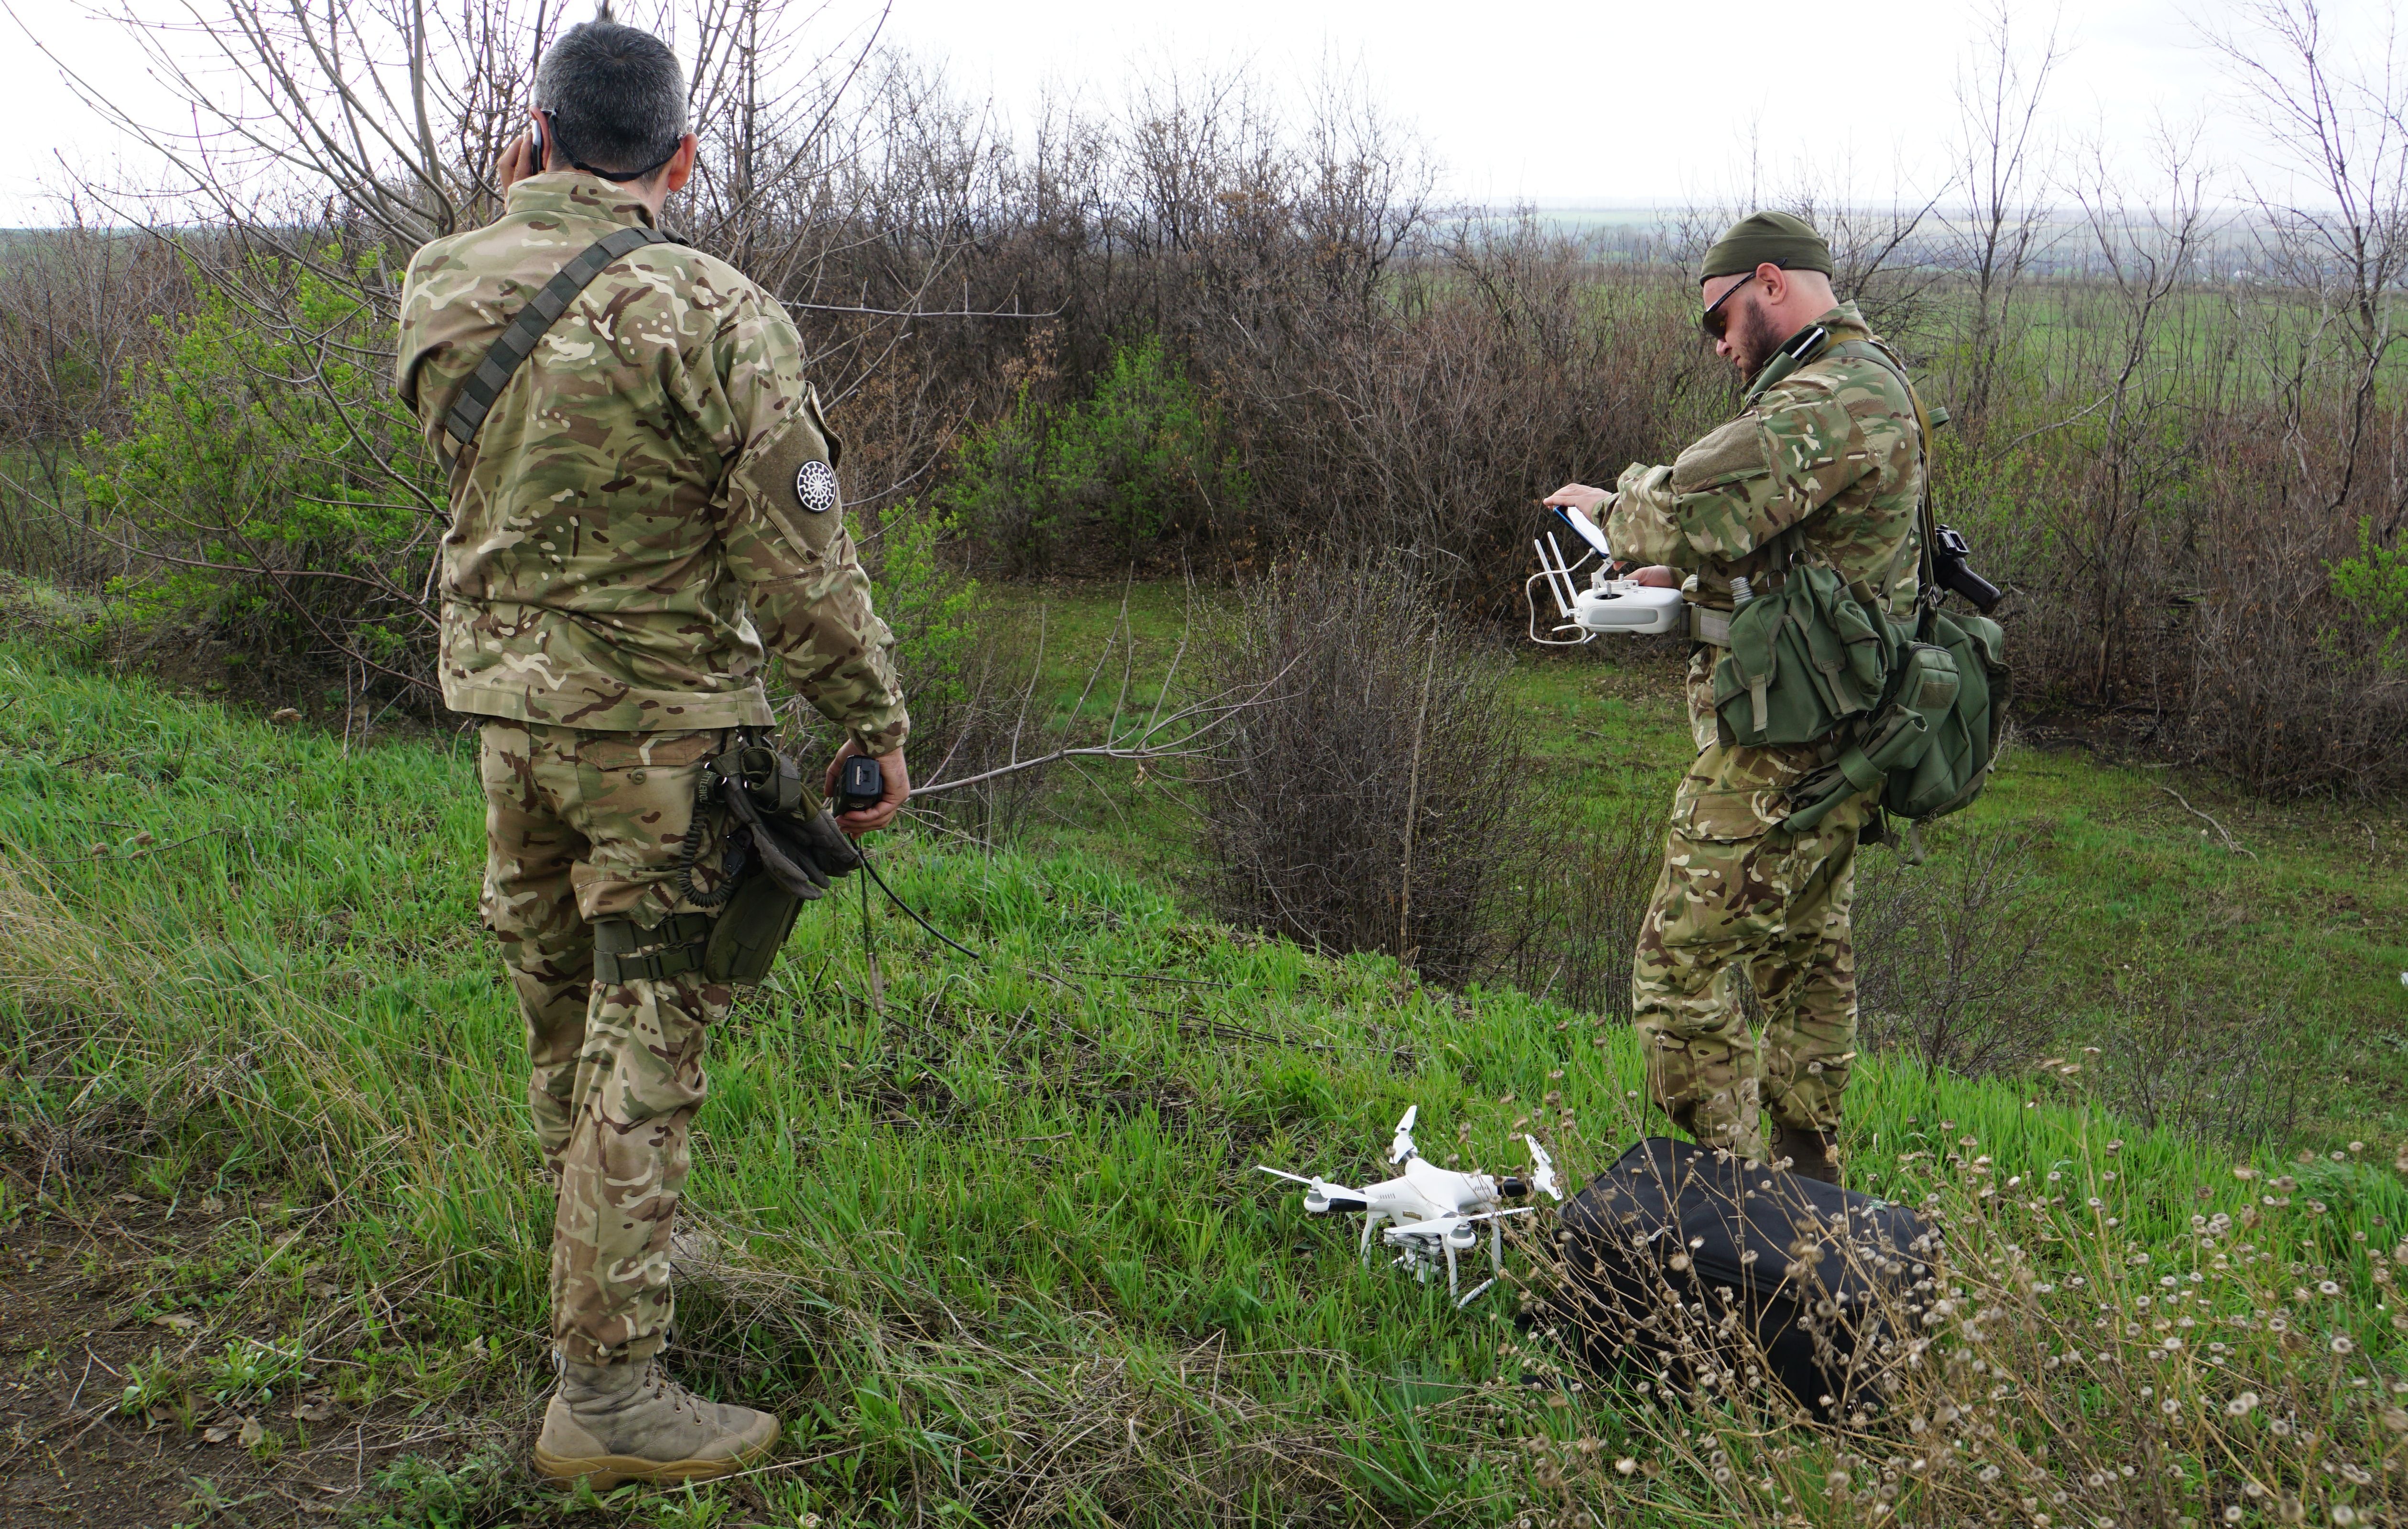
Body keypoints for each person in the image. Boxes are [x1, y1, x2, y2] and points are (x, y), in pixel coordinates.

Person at [394, 16, 910, 1486]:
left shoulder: (445, 277)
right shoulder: (713, 311)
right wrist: (867, 724)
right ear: (681, 159)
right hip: (656, 737)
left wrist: (521, 197)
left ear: (532, 138)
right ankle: (608, 1390)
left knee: (563, 1008)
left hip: (506, 712)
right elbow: (799, 556)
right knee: (649, 1035)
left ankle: (590, 1288)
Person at [1545, 212, 1925, 1183]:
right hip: (1836, 741)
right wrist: (1687, 588)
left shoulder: (1830, 396)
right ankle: (1812, 1198)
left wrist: (1608, 506)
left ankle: (1751, 1212)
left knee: (1674, 980)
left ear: (1767, 282)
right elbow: (1786, 549)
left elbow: (1684, 506)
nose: (1718, 345)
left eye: (1718, 320)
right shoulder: (1857, 381)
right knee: (1802, 967)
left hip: (1780, 750)